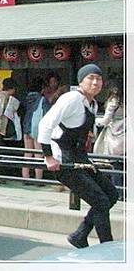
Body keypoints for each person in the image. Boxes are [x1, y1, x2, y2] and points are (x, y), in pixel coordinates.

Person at [38, 64, 118, 248]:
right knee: (100, 200)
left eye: (99, 79)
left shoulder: (92, 103)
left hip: (80, 157)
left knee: (111, 194)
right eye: (91, 78)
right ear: (81, 80)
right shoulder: (72, 98)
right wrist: (48, 157)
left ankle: (80, 235)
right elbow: (45, 125)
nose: (95, 82)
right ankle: (107, 246)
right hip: (64, 160)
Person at [94, 85, 125, 200]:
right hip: (127, 133)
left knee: (114, 164)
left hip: (115, 135)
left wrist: (95, 120)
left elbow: (106, 120)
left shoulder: (113, 100)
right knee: (123, 164)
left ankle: (118, 192)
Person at [21, 76, 48, 182]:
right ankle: (38, 180)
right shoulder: (43, 100)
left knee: (27, 154)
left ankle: (25, 178)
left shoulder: (25, 98)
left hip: (26, 127)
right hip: (37, 129)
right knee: (38, 154)